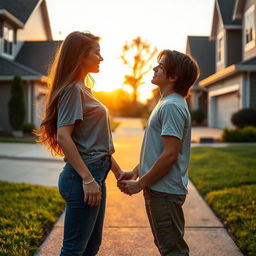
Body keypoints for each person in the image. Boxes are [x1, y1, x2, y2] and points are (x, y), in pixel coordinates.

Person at [34, 31, 123, 256]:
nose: (101, 58)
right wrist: (87, 179)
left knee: (91, 247)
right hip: (82, 178)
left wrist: (118, 172)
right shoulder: (73, 90)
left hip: (94, 176)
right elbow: (65, 136)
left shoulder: (83, 90)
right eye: (97, 53)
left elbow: (93, 143)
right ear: (81, 55)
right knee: (74, 250)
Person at [118, 49, 200, 256]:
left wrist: (140, 184)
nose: (154, 68)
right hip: (159, 190)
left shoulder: (172, 106)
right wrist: (138, 171)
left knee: (172, 250)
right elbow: (159, 150)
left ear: (173, 77)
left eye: (161, 66)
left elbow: (170, 155)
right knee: (166, 246)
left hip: (165, 192)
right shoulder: (165, 103)